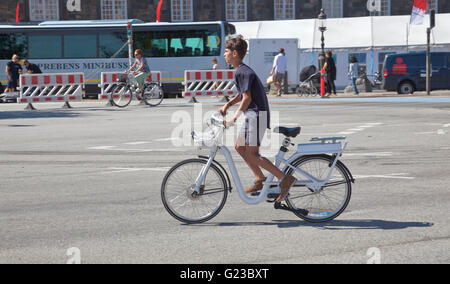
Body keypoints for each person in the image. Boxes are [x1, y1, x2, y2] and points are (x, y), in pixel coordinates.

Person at [219, 35, 296, 204]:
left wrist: (233, 117)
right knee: (239, 146)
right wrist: (227, 105)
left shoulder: (242, 71)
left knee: (253, 154)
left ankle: (285, 179)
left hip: (256, 115)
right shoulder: (241, 70)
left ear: (234, 53)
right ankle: (260, 178)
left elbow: (247, 99)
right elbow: (242, 95)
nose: (224, 55)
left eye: (226, 52)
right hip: (252, 115)